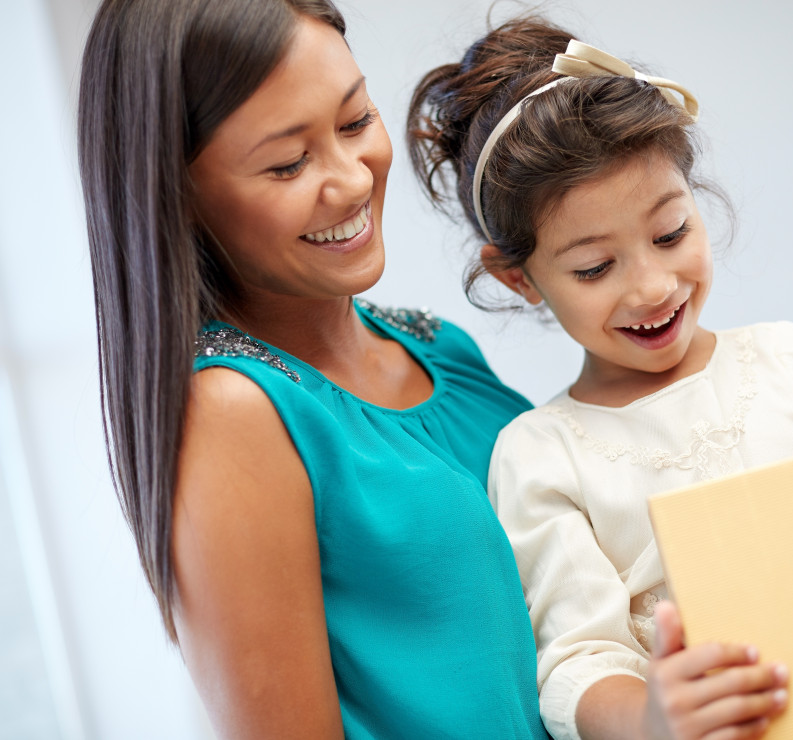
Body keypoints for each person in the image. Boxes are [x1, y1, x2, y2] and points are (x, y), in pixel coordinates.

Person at [406, 16, 793, 740]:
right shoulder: (542, 453)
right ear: (518, 278)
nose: (651, 286)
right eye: (594, 268)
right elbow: (578, 662)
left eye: (671, 234)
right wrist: (650, 717)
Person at [77, 1, 551, 737]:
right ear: (180, 198)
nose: (351, 180)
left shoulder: (442, 348)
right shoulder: (235, 412)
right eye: (288, 162)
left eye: (356, 120)